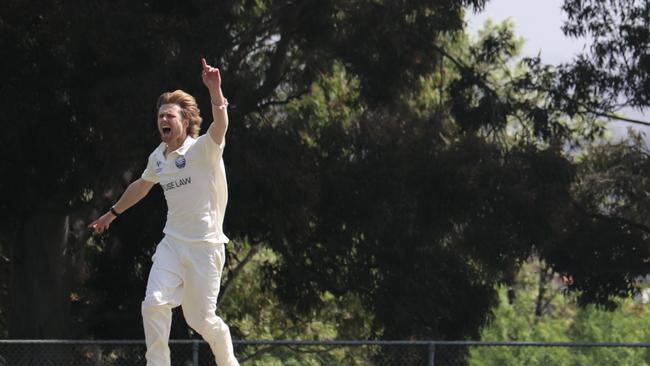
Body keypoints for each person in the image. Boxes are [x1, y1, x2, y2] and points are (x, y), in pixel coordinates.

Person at [88, 58, 239, 366]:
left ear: (185, 122)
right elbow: (142, 186)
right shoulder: (158, 157)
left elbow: (221, 125)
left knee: (200, 320)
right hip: (172, 244)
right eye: (159, 116)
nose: (162, 120)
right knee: (153, 304)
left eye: (169, 115)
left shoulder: (203, 149)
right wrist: (111, 214)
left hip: (206, 248)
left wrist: (215, 90)